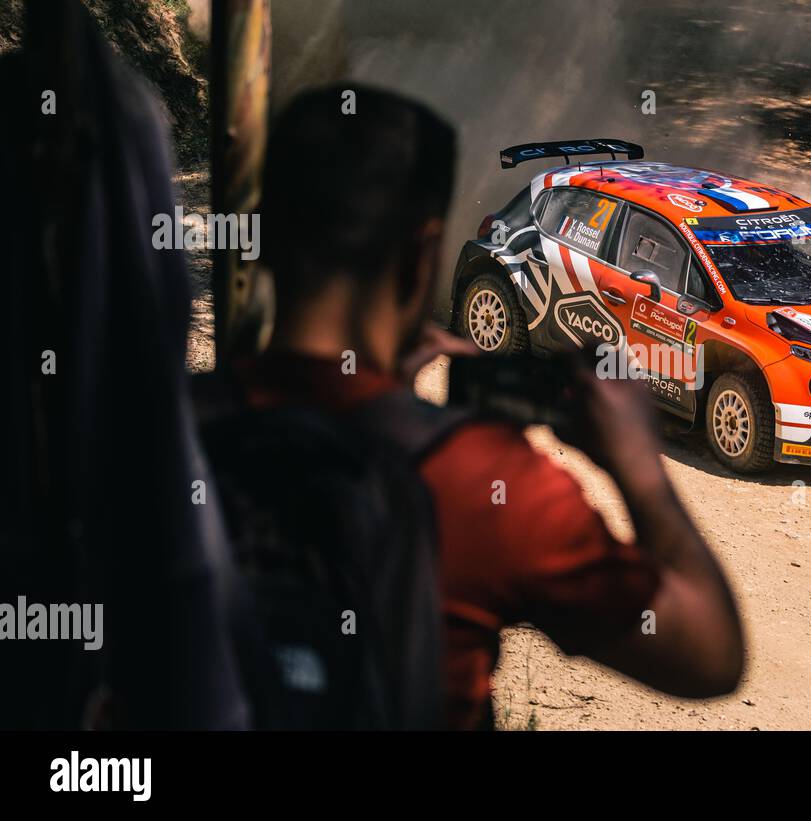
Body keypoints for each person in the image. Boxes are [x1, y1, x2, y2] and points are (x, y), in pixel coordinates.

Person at [227, 84, 745, 729]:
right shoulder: (485, 483)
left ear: (263, 240)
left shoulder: (156, 434)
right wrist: (637, 465)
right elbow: (711, 654)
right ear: (423, 257)